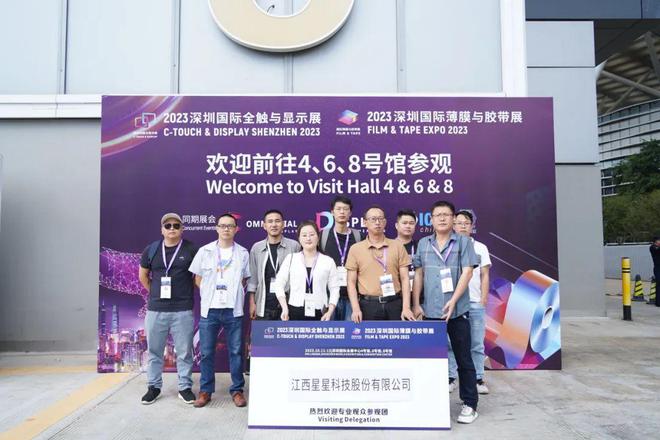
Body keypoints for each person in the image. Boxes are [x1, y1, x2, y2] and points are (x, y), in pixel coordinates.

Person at [411, 201, 480, 424]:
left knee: (463, 359)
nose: (442, 218)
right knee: (430, 360)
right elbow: (418, 274)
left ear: (453, 219)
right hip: (430, 311)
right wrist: (416, 304)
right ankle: (431, 403)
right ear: (430, 219)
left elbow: (467, 272)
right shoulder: (423, 243)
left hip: (457, 311)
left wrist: (453, 301)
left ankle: (470, 403)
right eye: (437, 215)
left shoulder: (463, 242)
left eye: (446, 215)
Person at [189, 213, 250, 408]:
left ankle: (237, 390)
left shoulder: (243, 253)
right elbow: (198, 278)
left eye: (230, 226)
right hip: (210, 310)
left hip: (233, 310)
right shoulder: (204, 251)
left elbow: (244, 279)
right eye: (222, 225)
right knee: (206, 352)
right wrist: (211, 293)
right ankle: (206, 391)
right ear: (216, 228)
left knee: (236, 352)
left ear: (236, 229)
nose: (226, 229)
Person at [138, 213, 197, 405]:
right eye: (168, 225)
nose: (172, 228)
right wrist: (155, 293)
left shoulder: (191, 249)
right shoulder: (152, 249)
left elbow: (198, 278)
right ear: (162, 229)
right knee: (154, 351)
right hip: (156, 310)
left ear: (182, 229)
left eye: (176, 225)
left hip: (182, 309)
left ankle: (185, 387)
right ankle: (153, 387)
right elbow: (143, 276)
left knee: (184, 352)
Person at [448, 210, 492, 395]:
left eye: (466, 223)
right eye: (459, 223)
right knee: (451, 343)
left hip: (474, 302)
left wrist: (483, 298)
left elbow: (485, 274)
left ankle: (478, 378)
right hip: (453, 302)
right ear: (453, 225)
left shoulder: (480, 247)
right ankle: (451, 377)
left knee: (476, 343)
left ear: (472, 226)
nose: (462, 226)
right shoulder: (448, 246)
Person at [346, 205, 415, 322]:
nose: (377, 222)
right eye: (373, 219)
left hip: (394, 304)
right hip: (368, 306)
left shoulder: (397, 246)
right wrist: (356, 309)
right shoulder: (355, 249)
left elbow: (405, 278)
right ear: (365, 222)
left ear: (385, 222)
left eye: (380, 219)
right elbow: (351, 282)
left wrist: (406, 307)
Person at [275, 221, 340, 321]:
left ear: (318, 237)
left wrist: (330, 311)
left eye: (312, 235)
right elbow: (279, 283)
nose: (308, 238)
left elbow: (334, 288)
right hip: (294, 311)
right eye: (304, 235)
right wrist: (284, 308)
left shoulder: (328, 261)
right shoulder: (291, 258)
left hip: (321, 312)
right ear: (299, 239)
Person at [248, 209, 301, 320]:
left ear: (283, 224)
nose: (274, 224)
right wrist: (252, 303)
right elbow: (253, 279)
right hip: (264, 305)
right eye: (270, 221)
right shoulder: (257, 248)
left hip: (288, 305)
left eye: (277, 221)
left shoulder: (294, 246)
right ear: (264, 225)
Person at [319, 196, 363, 321]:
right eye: (338, 209)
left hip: (352, 298)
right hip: (328, 296)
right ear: (332, 212)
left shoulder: (359, 236)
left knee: (351, 331)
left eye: (345, 209)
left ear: (350, 213)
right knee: (330, 332)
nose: (342, 212)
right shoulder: (323, 236)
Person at [395, 209, 418, 292]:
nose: (408, 226)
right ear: (396, 225)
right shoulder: (389, 246)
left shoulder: (420, 246)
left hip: (417, 292)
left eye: (411, 223)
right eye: (404, 223)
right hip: (396, 293)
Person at [651, 236, 660, 307]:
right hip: (658, 268)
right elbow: (657, 250)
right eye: (658, 241)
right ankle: (658, 302)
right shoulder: (652, 248)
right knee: (659, 284)